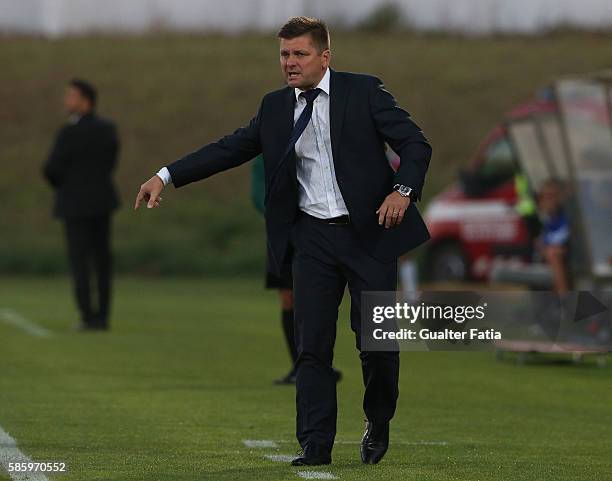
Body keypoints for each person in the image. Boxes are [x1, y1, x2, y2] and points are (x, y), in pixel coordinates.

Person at [135, 17, 431, 466]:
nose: (289, 63)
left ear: (324, 57)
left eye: (299, 54)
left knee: (377, 345)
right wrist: (166, 175)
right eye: (284, 55)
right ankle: (315, 443)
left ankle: (378, 419)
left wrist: (402, 191)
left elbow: (415, 144)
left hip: (368, 235)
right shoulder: (275, 108)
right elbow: (229, 148)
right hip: (311, 239)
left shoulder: (364, 91)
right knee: (311, 345)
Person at [251, 154, 342, 385]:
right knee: (288, 298)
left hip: (314, 231)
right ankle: (298, 366)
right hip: (282, 235)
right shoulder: (264, 157)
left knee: (318, 297)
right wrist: (282, 213)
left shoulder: (314, 149)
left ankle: (318, 363)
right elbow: (258, 195)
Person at [43, 79, 120, 331]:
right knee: (102, 261)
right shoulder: (108, 129)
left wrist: (67, 186)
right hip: (101, 202)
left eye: (71, 96)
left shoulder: (69, 132)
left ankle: (87, 316)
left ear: (85, 100)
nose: (66, 101)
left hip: (74, 204)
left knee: (80, 262)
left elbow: (51, 169)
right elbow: (111, 161)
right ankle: (103, 317)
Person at [537, 179, 570, 294]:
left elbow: (564, 234)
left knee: (552, 253)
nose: (548, 201)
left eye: (552, 197)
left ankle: (563, 299)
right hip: (554, 248)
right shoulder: (547, 217)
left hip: (570, 248)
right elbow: (545, 235)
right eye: (545, 197)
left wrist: (545, 243)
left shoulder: (565, 213)